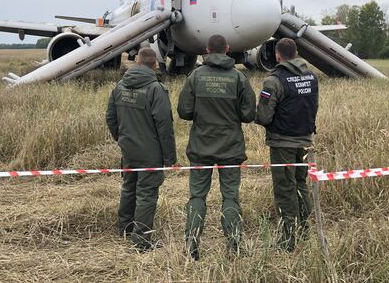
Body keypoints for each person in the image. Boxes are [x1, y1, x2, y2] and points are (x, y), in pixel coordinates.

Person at [178, 34, 256, 260]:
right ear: (228, 49)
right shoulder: (239, 78)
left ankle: (192, 244)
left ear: (207, 49)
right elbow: (249, 115)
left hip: (201, 148)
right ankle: (234, 244)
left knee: (197, 197)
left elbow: (184, 112)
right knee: (230, 197)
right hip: (230, 148)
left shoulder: (195, 76)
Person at [105, 47, 176, 251]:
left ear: (136, 62)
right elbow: (165, 126)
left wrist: (122, 139)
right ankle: (142, 240)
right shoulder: (156, 89)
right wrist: (170, 158)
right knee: (146, 194)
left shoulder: (120, 86)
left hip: (128, 149)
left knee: (129, 187)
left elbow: (110, 117)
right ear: (154, 65)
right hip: (150, 152)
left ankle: (125, 229)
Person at [255, 38, 318, 252]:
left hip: (282, 143)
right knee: (301, 185)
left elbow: (264, 116)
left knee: (284, 188)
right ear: (297, 52)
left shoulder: (274, 80)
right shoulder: (311, 77)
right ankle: (306, 230)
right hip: (306, 141)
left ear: (277, 56)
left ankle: (288, 238)